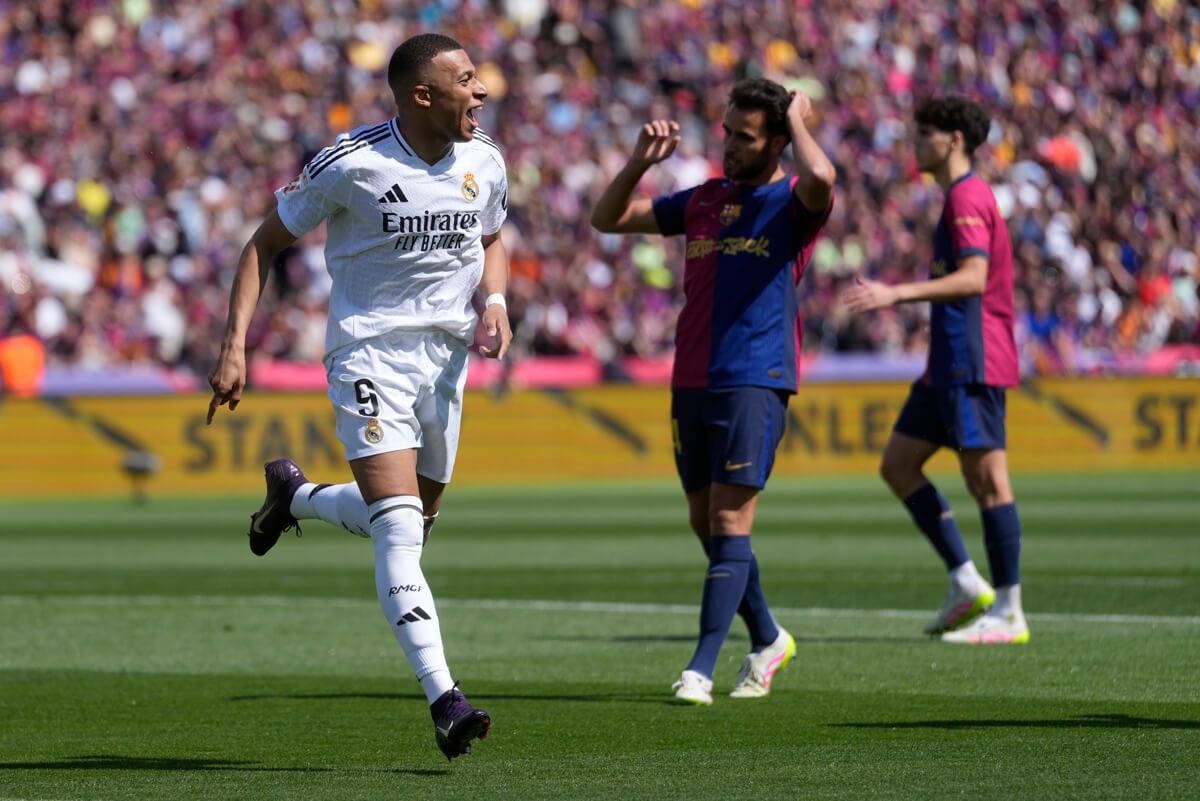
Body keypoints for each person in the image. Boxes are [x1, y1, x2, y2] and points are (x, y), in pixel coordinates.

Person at [206, 33, 512, 759]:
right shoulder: (353, 164)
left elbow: (493, 234)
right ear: (422, 95)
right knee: (401, 531)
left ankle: (296, 496)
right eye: (466, 80)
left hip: (446, 359)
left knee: (415, 518)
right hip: (368, 351)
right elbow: (263, 243)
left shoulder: (485, 159)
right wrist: (233, 344)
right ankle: (446, 699)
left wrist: (495, 301)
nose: (482, 92)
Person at [591, 78, 836, 705]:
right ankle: (770, 637)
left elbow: (824, 177)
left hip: (753, 378)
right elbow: (608, 218)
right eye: (727, 131)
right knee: (707, 523)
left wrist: (800, 119)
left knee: (729, 519)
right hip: (691, 378)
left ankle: (700, 668)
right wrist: (639, 164)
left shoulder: (792, 203)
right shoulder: (703, 199)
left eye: (745, 136)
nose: (728, 144)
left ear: (777, 141)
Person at [842, 96, 1029, 644]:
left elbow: (973, 278)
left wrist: (894, 293)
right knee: (899, 464)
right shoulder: (956, 197)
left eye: (923, 132)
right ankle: (968, 582)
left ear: (953, 139)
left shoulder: (967, 196)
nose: (913, 142)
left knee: (988, 482)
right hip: (946, 361)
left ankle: (1011, 612)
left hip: (974, 357)